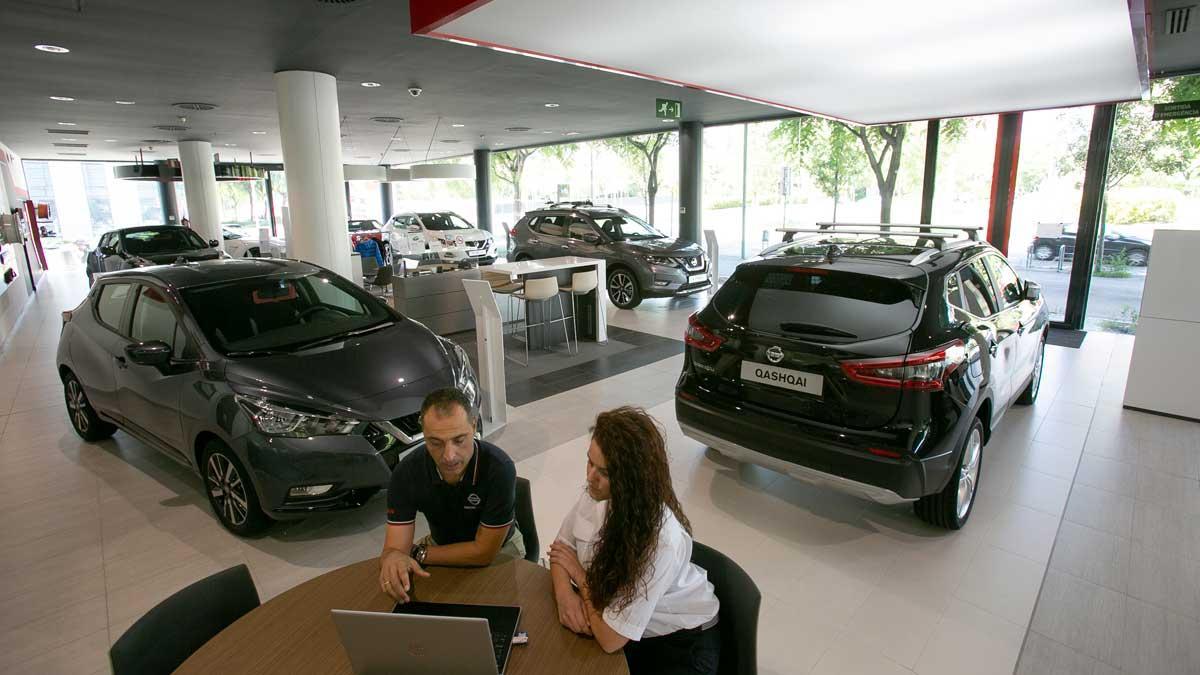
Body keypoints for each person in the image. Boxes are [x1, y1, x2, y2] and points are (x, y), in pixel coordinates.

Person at [548, 407, 720, 675]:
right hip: (617, 621)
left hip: (679, 644)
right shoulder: (598, 494)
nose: (590, 477)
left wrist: (581, 580)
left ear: (632, 480)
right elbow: (561, 550)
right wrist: (564, 597)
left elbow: (610, 640)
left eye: (603, 472)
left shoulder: (660, 541)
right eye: (589, 462)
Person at [378, 387, 524, 603]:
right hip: (439, 545)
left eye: (459, 440)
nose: (449, 456)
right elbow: (394, 549)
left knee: (498, 608)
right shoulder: (407, 472)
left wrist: (417, 553)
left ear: (474, 426)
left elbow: (483, 553)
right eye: (435, 443)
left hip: (500, 549)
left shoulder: (499, 468)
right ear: (424, 434)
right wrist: (393, 559)